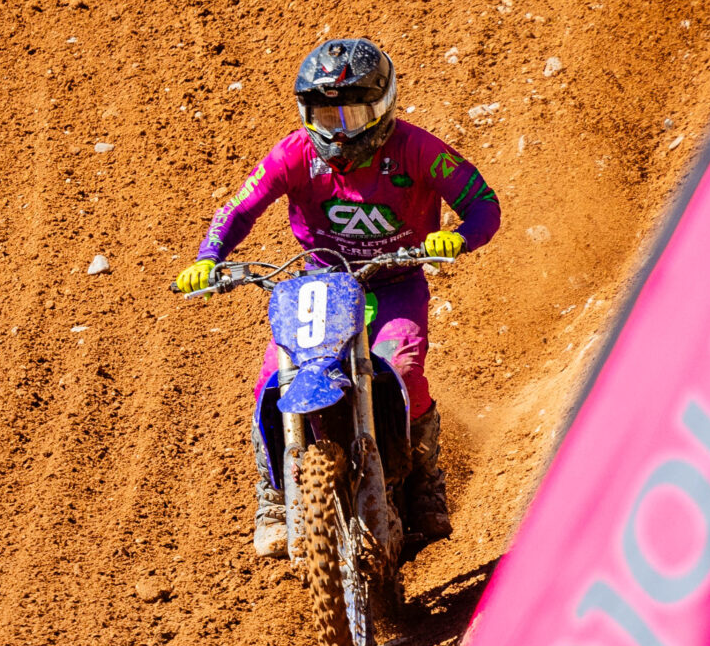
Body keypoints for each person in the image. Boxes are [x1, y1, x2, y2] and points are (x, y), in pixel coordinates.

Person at [175, 38, 500, 559]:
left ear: (384, 108)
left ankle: (425, 479)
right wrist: (208, 257)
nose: (340, 131)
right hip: (319, 284)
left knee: (402, 369)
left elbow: (483, 203)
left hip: (394, 280)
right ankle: (273, 497)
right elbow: (240, 207)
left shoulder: (418, 150)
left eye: (354, 115)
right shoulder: (294, 153)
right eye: (327, 116)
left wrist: (457, 238)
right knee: (272, 378)